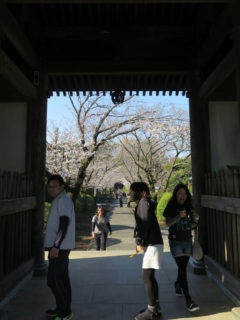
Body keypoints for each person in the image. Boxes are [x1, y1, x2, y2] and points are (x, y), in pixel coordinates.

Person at [163, 183, 200, 312]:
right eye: (179, 193)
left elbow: (193, 225)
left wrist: (196, 218)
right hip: (175, 242)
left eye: (184, 193)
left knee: (182, 268)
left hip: (187, 240)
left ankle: (178, 284)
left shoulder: (189, 206)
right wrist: (179, 216)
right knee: (182, 269)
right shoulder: (171, 206)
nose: (182, 196)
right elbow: (168, 223)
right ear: (176, 194)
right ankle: (189, 300)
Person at [130, 182, 163, 320]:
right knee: (150, 277)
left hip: (152, 244)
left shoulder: (143, 203)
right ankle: (155, 308)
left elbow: (144, 224)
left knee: (146, 277)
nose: (130, 194)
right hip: (154, 243)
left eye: (132, 191)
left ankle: (151, 312)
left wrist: (140, 241)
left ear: (139, 191)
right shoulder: (145, 203)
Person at [44, 175, 75, 320]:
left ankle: (65, 313)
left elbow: (64, 224)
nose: (51, 189)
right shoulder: (60, 200)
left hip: (59, 248)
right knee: (61, 279)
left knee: (54, 280)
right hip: (59, 247)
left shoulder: (63, 200)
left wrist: (56, 246)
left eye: (55, 186)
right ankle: (61, 309)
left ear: (62, 187)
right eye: (49, 186)